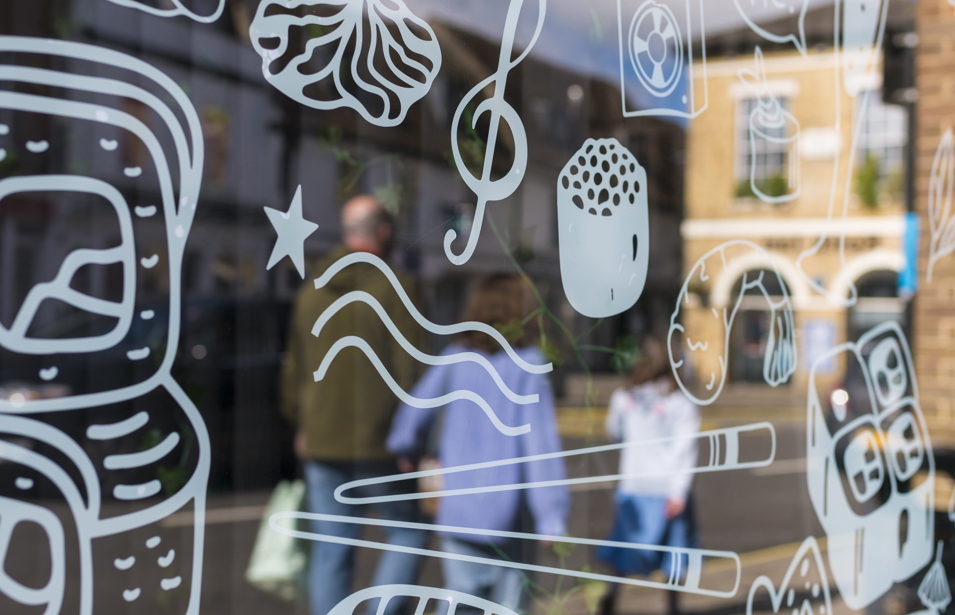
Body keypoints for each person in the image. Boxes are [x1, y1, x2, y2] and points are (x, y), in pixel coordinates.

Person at [387, 274, 569, 614]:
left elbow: (414, 409)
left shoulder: (456, 357)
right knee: (509, 603)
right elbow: (540, 447)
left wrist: (406, 448)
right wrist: (551, 515)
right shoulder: (528, 365)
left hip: (457, 508)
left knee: (460, 597)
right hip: (509, 516)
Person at [280, 195, 427, 615]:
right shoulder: (398, 288)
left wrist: (302, 424)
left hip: (323, 440)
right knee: (407, 533)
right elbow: (414, 372)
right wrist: (415, 436)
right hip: (384, 442)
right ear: (383, 232)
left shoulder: (312, 290)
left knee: (332, 549)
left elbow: (293, 371)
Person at [596, 336, 700, 615]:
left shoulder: (625, 396)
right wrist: (679, 491)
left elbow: (613, 432)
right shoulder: (679, 401)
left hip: (633, 484)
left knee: (624, 548)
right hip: (667, 488)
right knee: (674, 552)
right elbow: (685, 448)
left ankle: (611, 597)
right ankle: (673, 604)